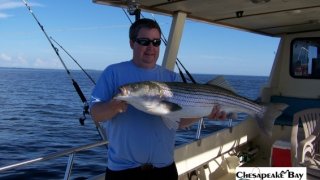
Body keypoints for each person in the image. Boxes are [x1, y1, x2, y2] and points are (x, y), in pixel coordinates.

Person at [90, 18, 226, 180]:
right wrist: (113, 107)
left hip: (164, 170)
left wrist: (205, 112)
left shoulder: (170, 77)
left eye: (156, 42)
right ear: (132, 43)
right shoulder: (113, 73)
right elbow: (95, 114)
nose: (151, 48)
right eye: (144, 41)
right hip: (123, 171)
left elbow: (177, 122)